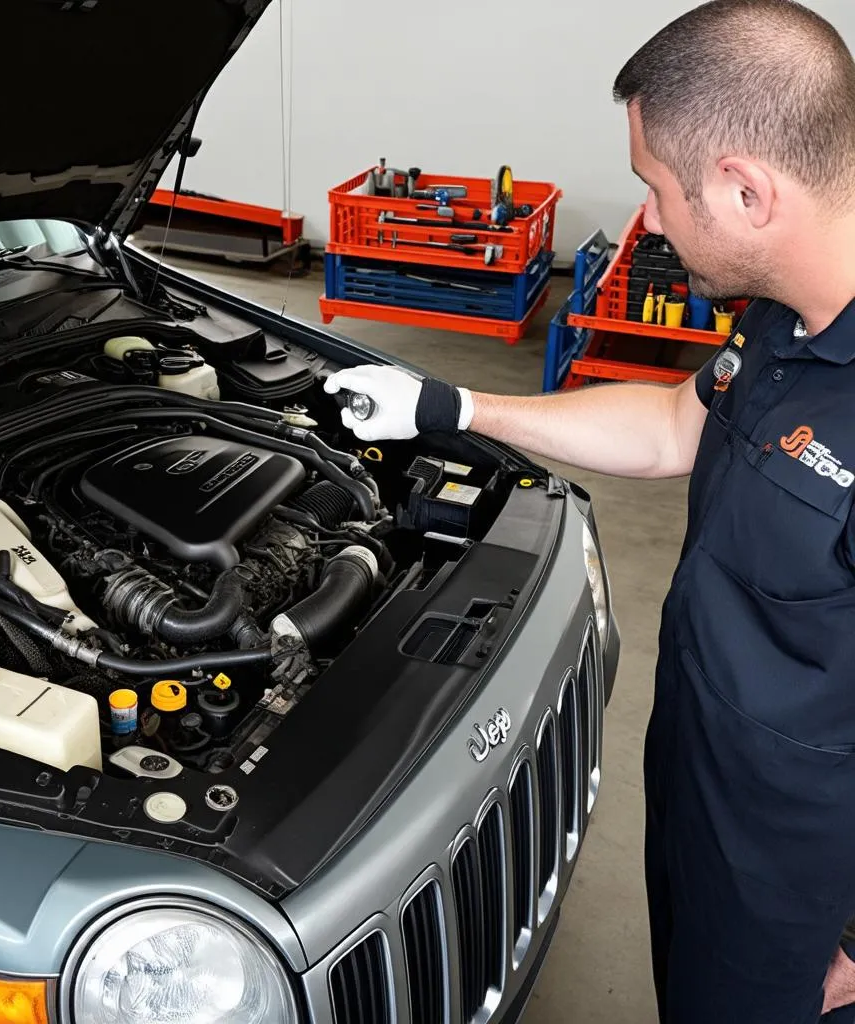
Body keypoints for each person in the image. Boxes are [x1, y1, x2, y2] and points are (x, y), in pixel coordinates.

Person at [323, 2, 855, 1021]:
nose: (645, 221)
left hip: (800, 874)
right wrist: (457, 404)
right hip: (703, 772)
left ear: (746, 190)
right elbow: (669, 423)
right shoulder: (787, 314)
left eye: (657, 188)